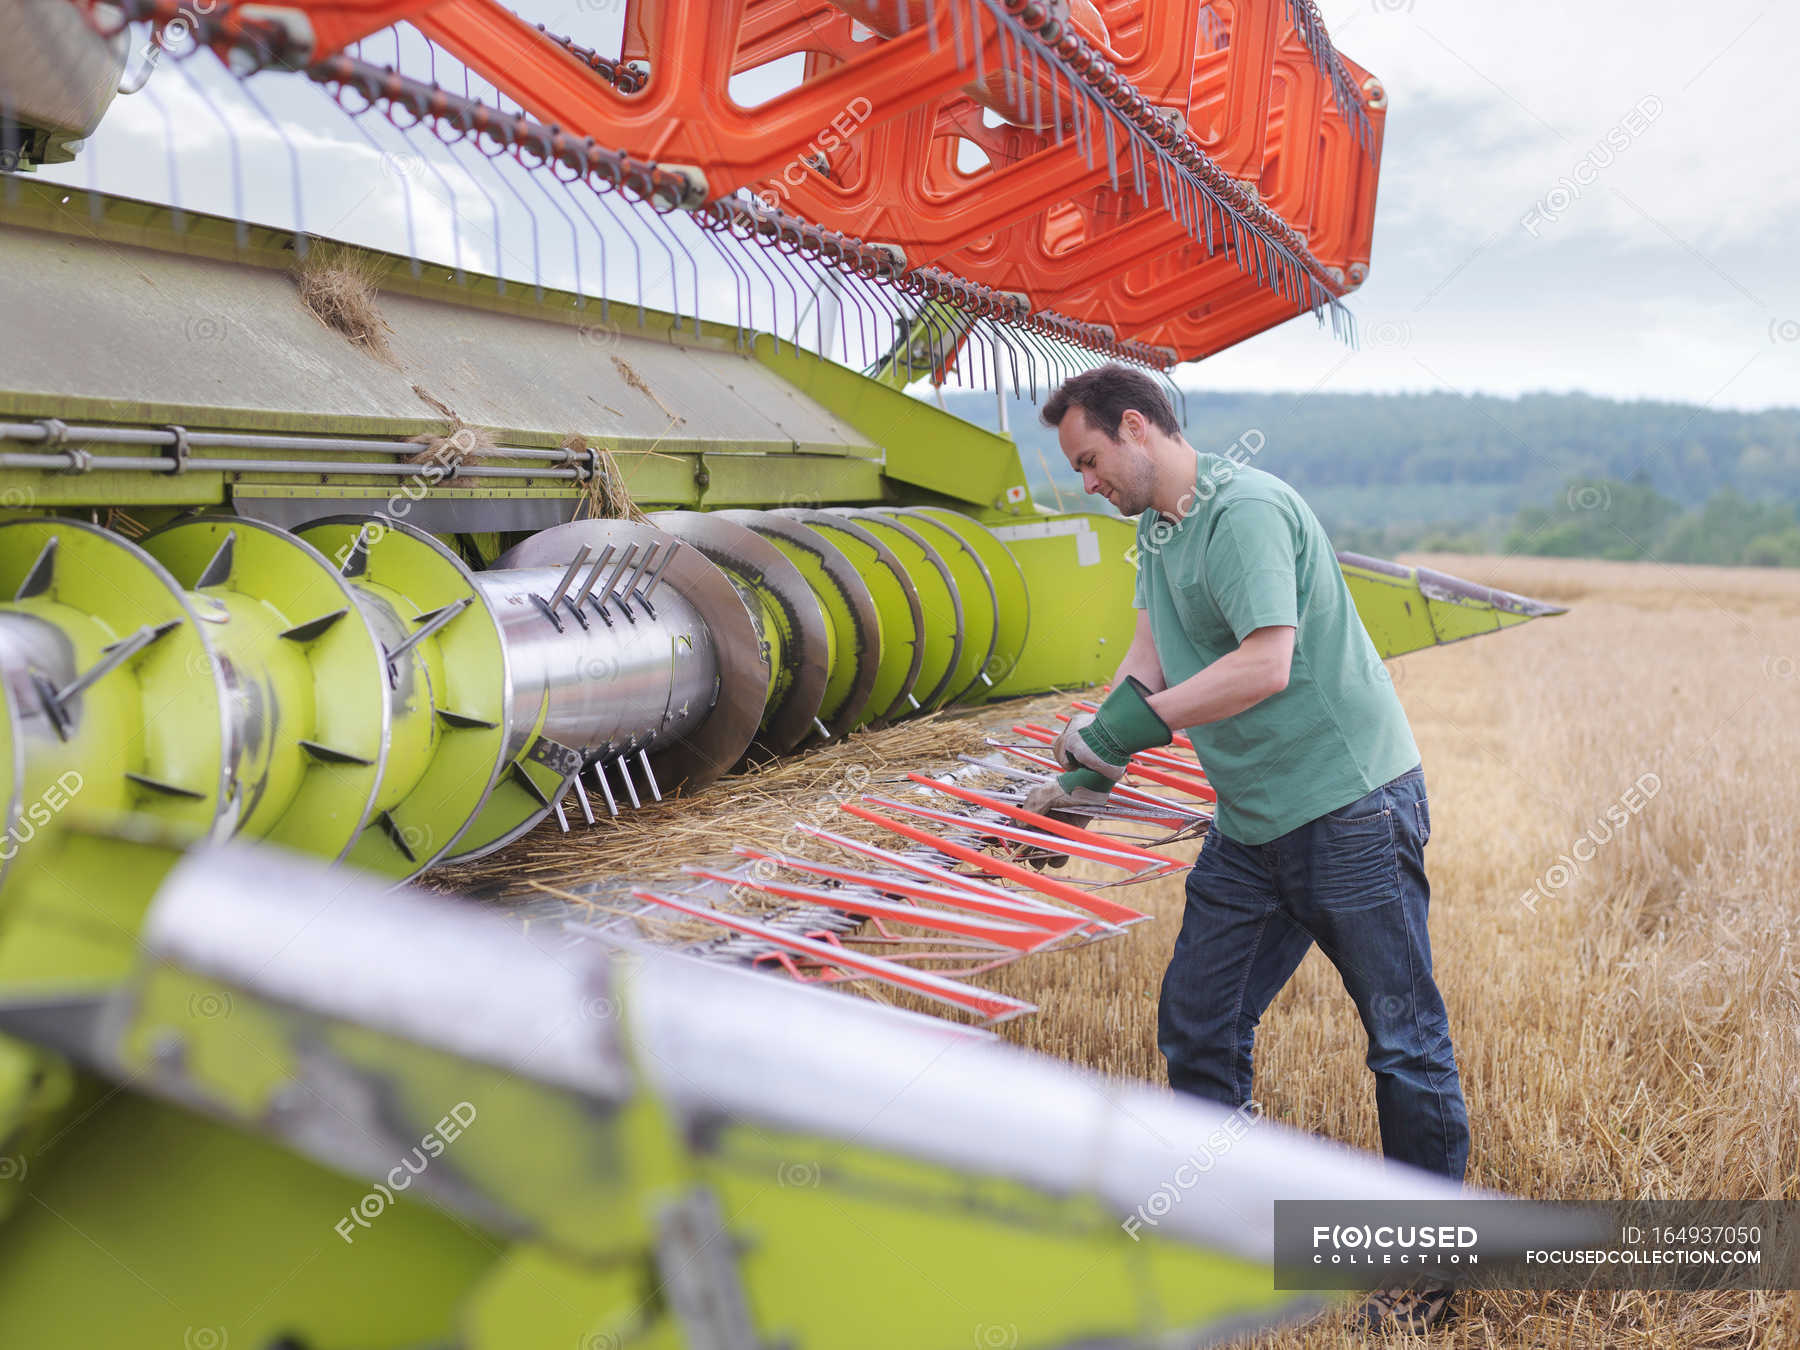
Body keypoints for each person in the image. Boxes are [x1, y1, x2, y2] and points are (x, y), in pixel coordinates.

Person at [1023, 364, 1469, 1333]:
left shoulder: (1247, 513)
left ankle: (1424, 1281)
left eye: (1090, 459)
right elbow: (1147, 664)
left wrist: (1122, 738)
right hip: (1254, 822)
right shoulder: (1158, 529)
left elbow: (1266, 664)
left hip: (1350, 809)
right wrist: (1085, 785)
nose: (1087, 481)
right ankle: (1235, 1234)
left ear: (1138, 427)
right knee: (1198, 1023)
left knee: (1403, 1042)